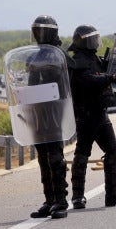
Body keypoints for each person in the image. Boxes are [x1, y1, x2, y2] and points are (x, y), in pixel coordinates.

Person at [68, 24, 116, 208]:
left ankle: (113, 194)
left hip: (100, 114)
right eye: (93, 39)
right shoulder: (78, 61)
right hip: (85, 115)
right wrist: (109, 78)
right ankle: (77, 196)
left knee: (113, 151)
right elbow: (89, 80)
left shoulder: (95, 59)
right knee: (82, 154)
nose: (97, 42)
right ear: (86, 41)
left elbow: (112, 74)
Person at [29, 15, 73, 219]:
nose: (39, 34)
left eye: (42, 30)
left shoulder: (60, 56)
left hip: (55, 110)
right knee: (43, 157)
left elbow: (70, 81)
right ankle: (49, 200)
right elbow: (31, 85)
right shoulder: (33, 57)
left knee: (55, 157)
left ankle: (61, 201)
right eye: (36, 30)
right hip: (38, 111)